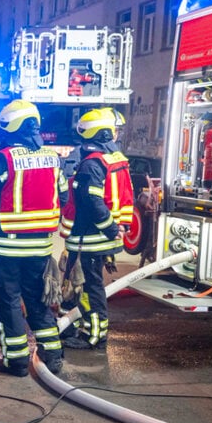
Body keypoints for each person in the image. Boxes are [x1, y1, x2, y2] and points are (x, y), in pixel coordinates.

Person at [0, 100, 68, 377]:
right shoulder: (52, 158)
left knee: (9, 302)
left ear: (9, 126)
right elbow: (62, 197)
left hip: (7, 248)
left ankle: (15, 361)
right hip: (40, 247)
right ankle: (53, 355)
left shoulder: (3, 159)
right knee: (37, 301)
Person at [61, 108, 134, 350]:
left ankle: (93, 335)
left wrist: (110, 229)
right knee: (79, 285)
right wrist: (116, 230)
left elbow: (93, 203)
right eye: (114, 129)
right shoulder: (117, 160)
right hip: (103, 238)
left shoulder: (92, 165)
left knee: (88, 288)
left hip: (90, 239)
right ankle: (70, 325)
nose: (116, 134)